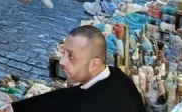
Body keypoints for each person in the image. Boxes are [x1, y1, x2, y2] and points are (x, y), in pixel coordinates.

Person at [12, 26, 144, 112]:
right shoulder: (118, 76)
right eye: (64, 53)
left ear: (94, 64)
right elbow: (64, 96)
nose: (62, 62)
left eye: (71, 56)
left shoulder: (87, 105)